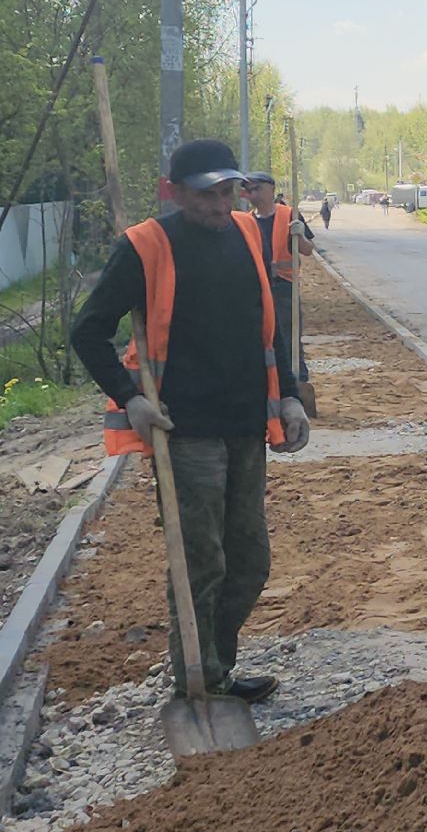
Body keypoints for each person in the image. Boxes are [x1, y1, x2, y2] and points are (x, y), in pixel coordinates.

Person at [71, 139, 311, 704]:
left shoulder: (249, 234)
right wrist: (130, 398)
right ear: (174, 192)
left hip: (247, 423)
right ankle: (200, 680)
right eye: (206, 194)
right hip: (185, 430)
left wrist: (293, 397)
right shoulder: (145, 245)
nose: (219, 204)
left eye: (229, 191)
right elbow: (89, 330)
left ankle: (217, 663)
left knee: (249, 563)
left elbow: (269, 324)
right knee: (202, 562)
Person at [240, 173, 314, 383]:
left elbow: (308, 250)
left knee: (288, 335)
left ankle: (297, 381)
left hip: (284, 287)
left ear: (271, 189)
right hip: (257, 287)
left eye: (258, 189)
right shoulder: (246, 221)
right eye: (250, 190)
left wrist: (300, 235)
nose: (254, 194)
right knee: (259, 336)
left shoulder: (290, 215)